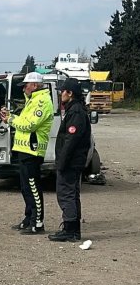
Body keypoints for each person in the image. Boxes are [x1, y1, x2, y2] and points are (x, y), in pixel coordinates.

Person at [0, 72, 53, 235]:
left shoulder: (43, 102)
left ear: (35, 85)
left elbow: (29, 125)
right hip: (24, 150)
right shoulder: (32, 101)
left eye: (26, 85)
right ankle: (28, 219)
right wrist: (10, 116)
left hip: (33, 151)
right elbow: (23, 121)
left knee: (33, 188)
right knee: (25, 187)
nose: (23, 88)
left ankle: (38, 222)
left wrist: (10, 120)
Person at [48, 77, 91, 242]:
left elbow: (70, 141)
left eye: (62, 92)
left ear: (70, 93)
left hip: (71, 162)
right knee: (71, 194)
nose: (60, 95)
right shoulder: (75, 110)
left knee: (67, 194)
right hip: (73, 162)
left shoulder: (76, 112)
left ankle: (70, 229)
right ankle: (71, 228)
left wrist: (61, 163)